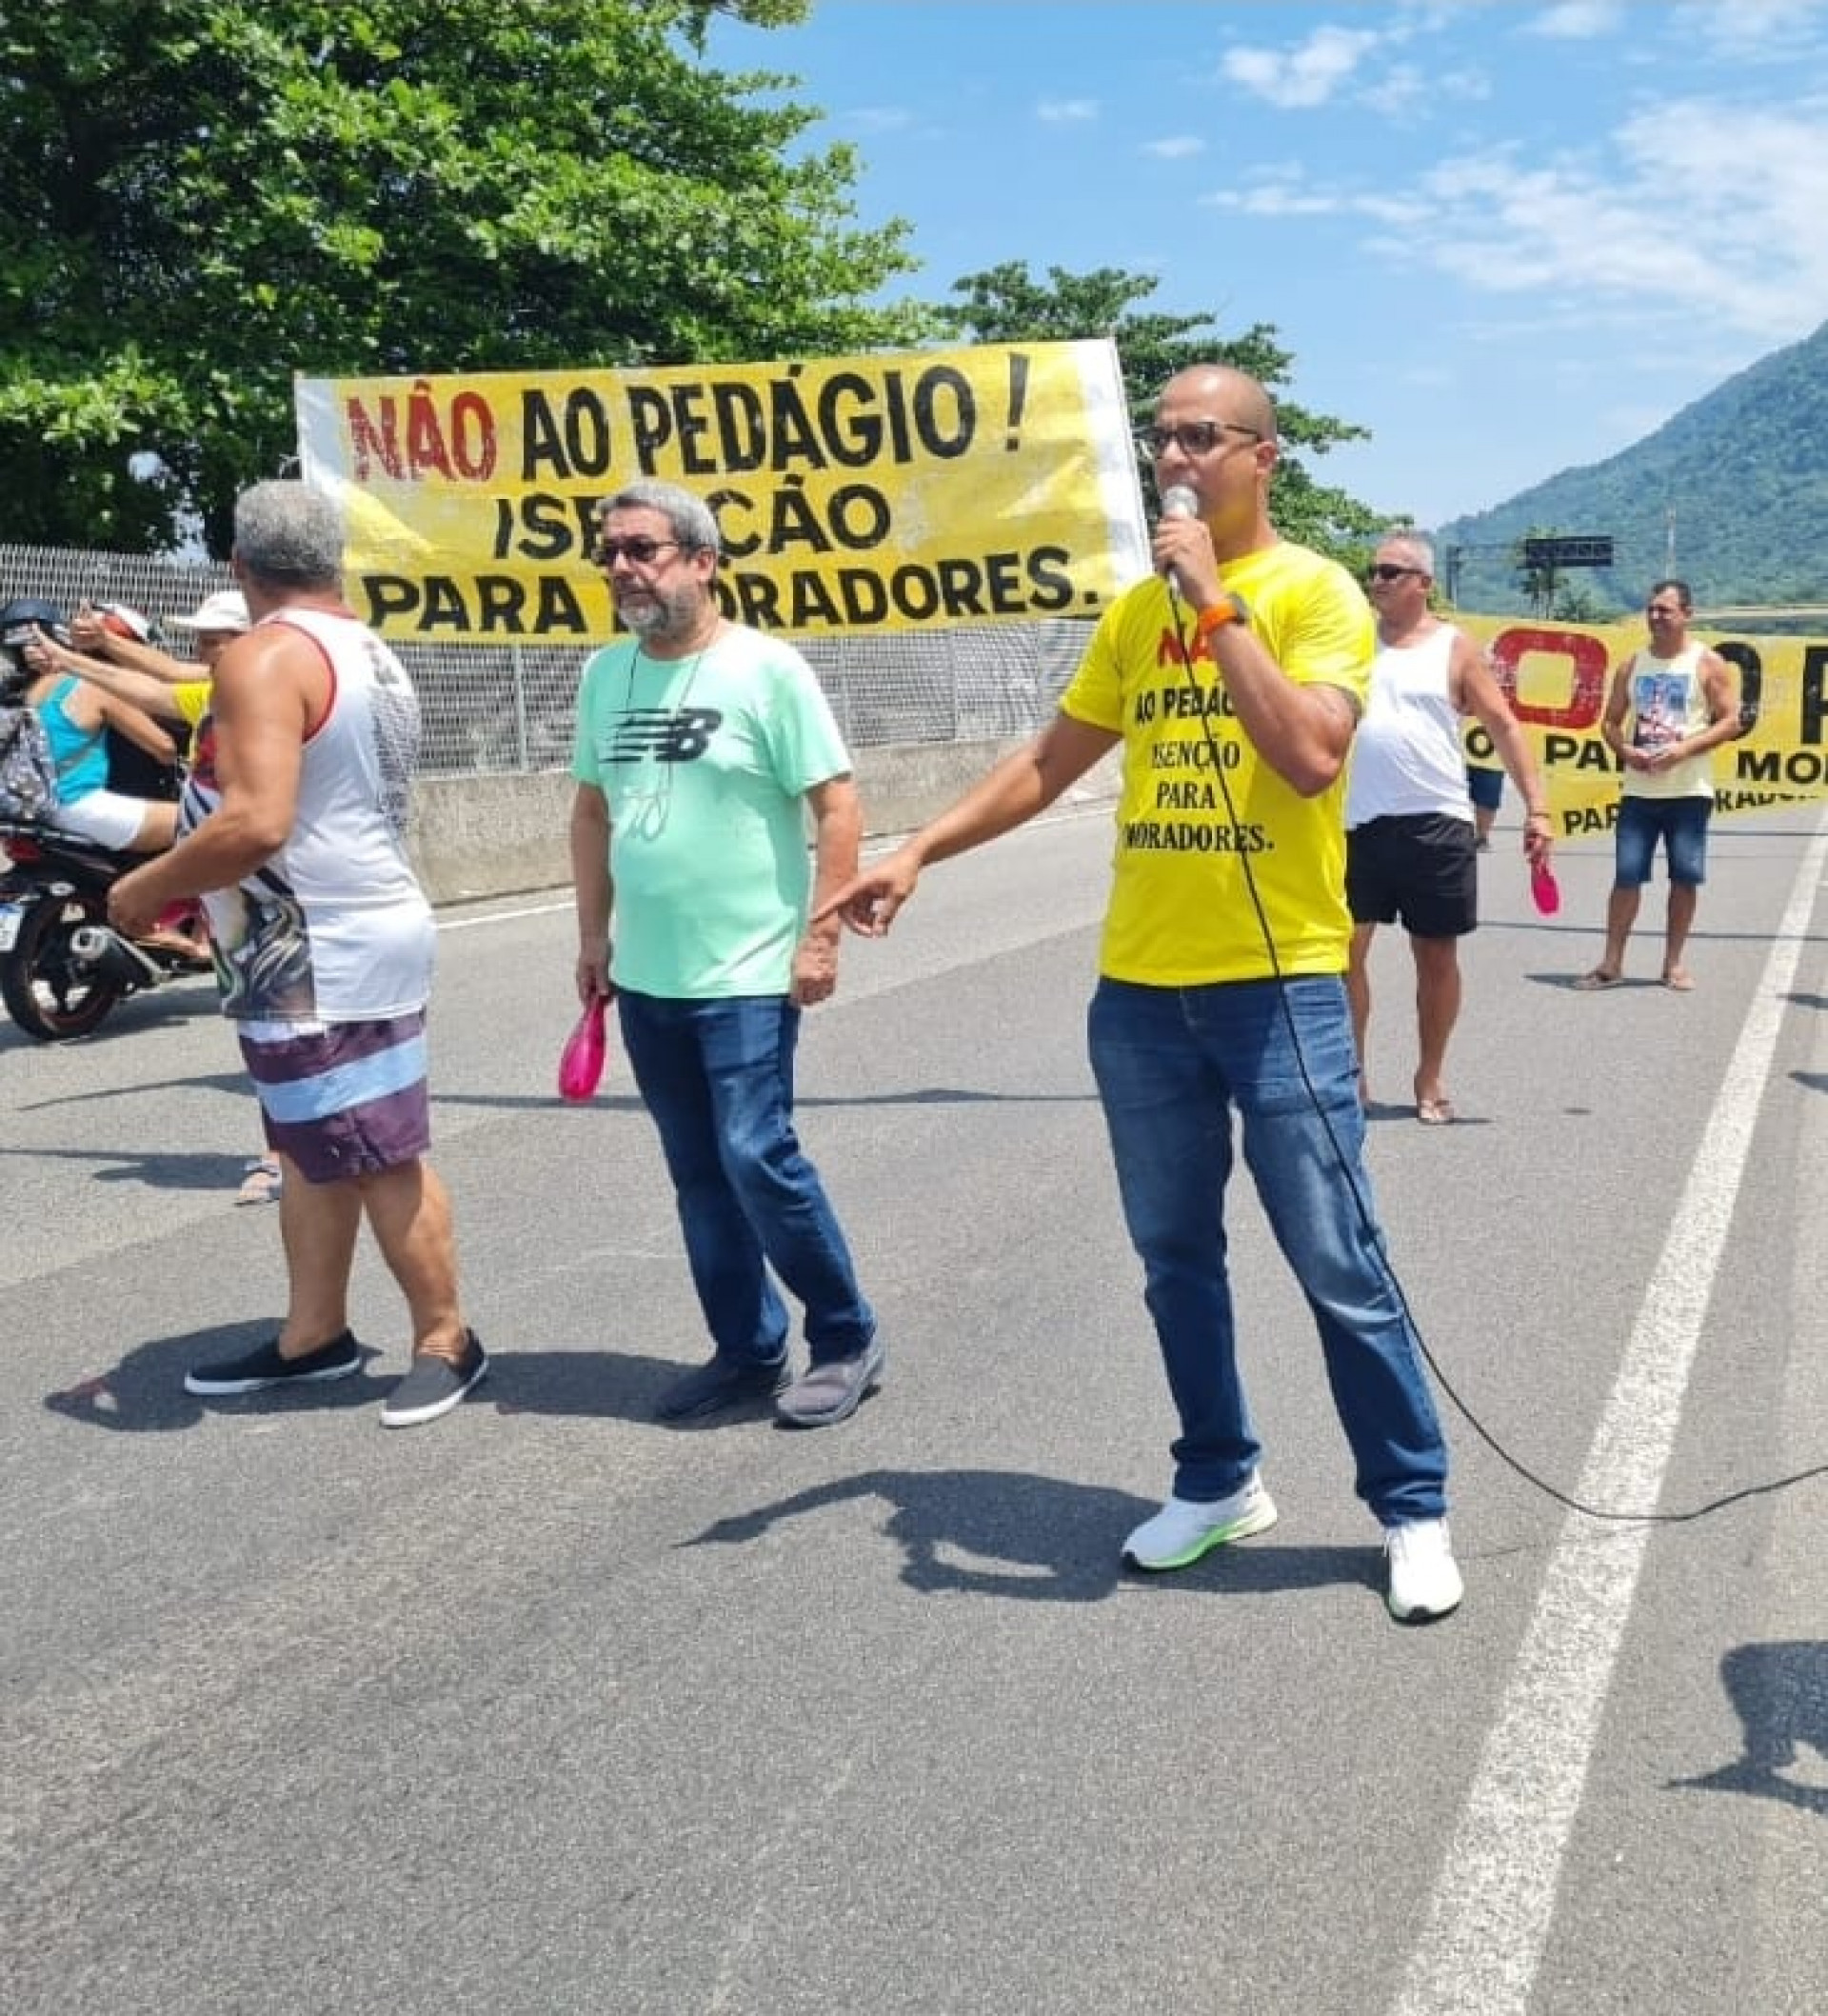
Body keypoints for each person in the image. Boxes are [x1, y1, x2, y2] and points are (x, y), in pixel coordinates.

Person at [820, 365, 1462, 1623]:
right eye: (1162, 437)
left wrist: (1218, 609)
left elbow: (1309, 753)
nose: (1176, 456)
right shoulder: (1133, 614)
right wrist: (916, 850)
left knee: (1337, 1260)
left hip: (1278, 990)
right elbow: (1051, 761)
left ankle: (1411, 1504)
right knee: (1176, 1260)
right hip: (1141, 996)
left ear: (1262, 457)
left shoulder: (1312, 593)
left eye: (1202, 436)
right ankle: (1218, 1478)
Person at [108, 480, 486, 1427]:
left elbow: (257, 820)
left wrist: (146, 888)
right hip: (321, 937)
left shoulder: (268, 655)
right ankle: (312, 1335)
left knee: (376, 1151)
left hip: (322, 947)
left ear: (238, 567)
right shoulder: (361, 646)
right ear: (334, 560)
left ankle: (447, 1336)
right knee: (314, 1151)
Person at [568, 478, 880, 1429]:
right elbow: (591, 809)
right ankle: (746, 1348)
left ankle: (843, 1333)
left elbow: (837, 802)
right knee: (697, 1166)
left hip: (747, 967)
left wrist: (821, 934)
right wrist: (592, 937)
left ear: (703, 561)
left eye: (644, 549)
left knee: (756, 1150)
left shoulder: (766, 670)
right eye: (611, 551)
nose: (624, 567)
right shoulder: (601, 675)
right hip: (648, 973)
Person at [32, 589, 280, 1200]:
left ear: (247, 641)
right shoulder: (217, 692)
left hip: (272, 896)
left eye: (211, 641)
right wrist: (85, 655)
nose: (199, 653)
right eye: (199, 642)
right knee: (262, 1032)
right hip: (232, 899)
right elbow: (162, 687)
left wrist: (80, 658)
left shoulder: (266, 698)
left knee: (282, 1030)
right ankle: (300, 1152)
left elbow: (166, 686)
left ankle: (291, 1157)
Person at [1346, 532, 1554, 1124]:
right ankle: (1352, 1074)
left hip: (1435, 821)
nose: (1378, 580)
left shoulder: (1455, 648)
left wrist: (1537, 808)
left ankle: (1430, 1073)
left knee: (1435, 956)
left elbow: (1505, 727)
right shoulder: (1349, 640)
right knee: (1341, 954)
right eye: (1374, 571)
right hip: (1354, 822)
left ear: (1423, 584)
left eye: (1392, 571)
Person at [1575, 578, 1739, 992]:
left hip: (1688, 791)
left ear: (1686, 614)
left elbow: (1732, 720)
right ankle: (1612, 963)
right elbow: (1610, 722)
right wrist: (1625, 750)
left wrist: (1685, 750)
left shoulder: (1707, 663)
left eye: (1665, 610)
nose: (1655, 617)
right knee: (1626, 876)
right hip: (1639, 791)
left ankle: (1673, 963)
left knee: (1684, 877)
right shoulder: (1632, 665)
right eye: (1651, 609)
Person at [2, 599, 183, 852]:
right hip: (77, 805)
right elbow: (164, 748)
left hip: (27, 808)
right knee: (198, 821)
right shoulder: (90, 686)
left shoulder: (20, 695)